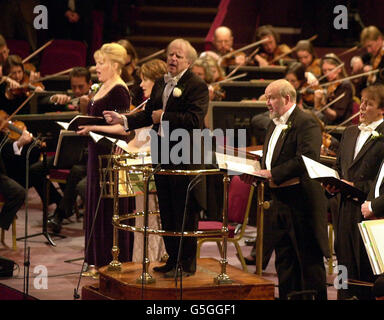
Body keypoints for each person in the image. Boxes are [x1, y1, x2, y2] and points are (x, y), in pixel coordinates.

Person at [100, 39, 209, 278]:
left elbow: (195, 120)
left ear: (188, 61)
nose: (172, 58)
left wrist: (165, 116)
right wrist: (124, 120)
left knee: (184, 211)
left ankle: (186, 264)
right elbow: (149, 115)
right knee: (167, 209)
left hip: (184, 154)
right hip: (161, 154)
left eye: (178, 56)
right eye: (170, 54)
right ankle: (172, 260)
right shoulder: (161, 82)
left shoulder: (197, 85)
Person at [241, 79, 329, 300]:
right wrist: (257, 174)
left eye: (271, 98)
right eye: (266, 97)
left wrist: (272, 173)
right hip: (279, 200)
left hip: (302, 203)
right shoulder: (274, 122)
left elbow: (307, 159)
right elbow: (271, 157)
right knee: (285, 260)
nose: (267, 103)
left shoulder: (306, 121)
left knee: (308, 261)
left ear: (287, 98)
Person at [78, 42, 135, 271]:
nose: (97, 66)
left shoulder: (120, 90)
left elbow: (125, 129)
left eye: (101, 63)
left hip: (109, 155)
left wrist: (94, 129)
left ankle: (109, 261)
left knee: (107, 207)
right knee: (95, 205)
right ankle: (95, 260)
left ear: (114, 65)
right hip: (96, 151)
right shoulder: (103, 86)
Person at [326, 84, 384, 300]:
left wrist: (358, 188)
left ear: (382, 110)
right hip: (344, 210)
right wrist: (332, 184)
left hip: (370, 212)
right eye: (361, 101)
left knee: (367, 270)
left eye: (368, 104)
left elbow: (380, 180)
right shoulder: (350, 133)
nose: (361, 107)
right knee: (344, 266)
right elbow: (340, 168)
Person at [314, 53, 355, 125]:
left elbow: (336, 116)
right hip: (328, 123)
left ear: (339, 69)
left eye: (330, 70)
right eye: (324, 71)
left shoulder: (345, 86)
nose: (327, 74)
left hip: (340, 127)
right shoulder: (329, 85)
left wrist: (323, 106)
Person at [350, 25, 384, 92]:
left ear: (379, 39)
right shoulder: (375, 52)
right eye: (366, 47)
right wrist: (357, 59)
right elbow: (363, 57)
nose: (369, 50)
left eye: (370, 46)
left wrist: (373, 77)